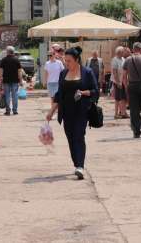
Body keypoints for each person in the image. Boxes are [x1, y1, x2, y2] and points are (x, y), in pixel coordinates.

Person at [45, 47, 99, 180]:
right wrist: (52, 111)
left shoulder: (87, 72)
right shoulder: (63, 73)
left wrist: (83, 92)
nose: (66, 64)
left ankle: (80, 166)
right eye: (65, 61)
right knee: (70, 137)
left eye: (69, 61)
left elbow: (95, 91)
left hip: (81, 111)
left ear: (76, 60)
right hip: (66, 111)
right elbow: (59, 94)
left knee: (79, 136)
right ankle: (76, 164)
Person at [0, 46, 22, 116]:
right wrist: (20, 80)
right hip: (15, 81)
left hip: (6, 81)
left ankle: (8, 111)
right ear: (13, 52)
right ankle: (15, 110)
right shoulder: (17, 60)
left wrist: (0, 79)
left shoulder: (3, 60)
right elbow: (19, 71)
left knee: (7, 95)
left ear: (7, 52)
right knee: (15, 95)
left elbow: (1, 71)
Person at [111, 46, 128, 119]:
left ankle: (123, 112)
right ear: (119, 52)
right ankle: (117, 114)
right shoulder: (115, 60)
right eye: (123, 51)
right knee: (118, 98)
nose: (124, 53)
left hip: (123, 81)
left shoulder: (123, 59)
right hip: (118, 82)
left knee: (123, 98)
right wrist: (118, 82)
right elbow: (114, 72)